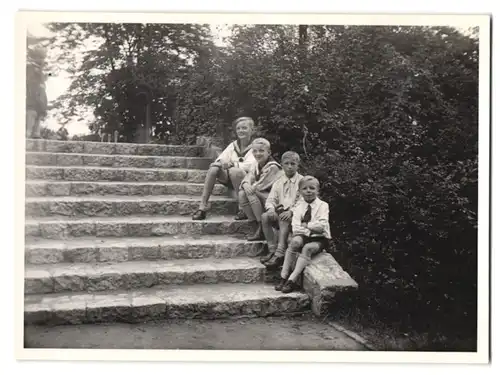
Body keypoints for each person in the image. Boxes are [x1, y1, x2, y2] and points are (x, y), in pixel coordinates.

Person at [275, 176, 331, 294]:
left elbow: (322, 227)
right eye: (305, 188)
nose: (309, 191)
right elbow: (296, 228)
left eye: (312, 188)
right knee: (294, 242)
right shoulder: (298, 207)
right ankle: (283, 276)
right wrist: (310, 228)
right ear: (300, 192)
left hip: (320, 238)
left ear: (318, 191)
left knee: (307, 248)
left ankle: (292, 280)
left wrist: (306, 225)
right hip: (304, 235)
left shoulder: (323, 205)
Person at [192, 117, 257, 221]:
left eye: (244, 128)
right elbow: (221, 158)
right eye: (238, 128)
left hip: (248, 181)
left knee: (235, 171)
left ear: (252, 130)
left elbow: (251, 165)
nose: (241, 131)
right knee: (214, 168)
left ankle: (243, 208)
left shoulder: (256, 146)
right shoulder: (233, 145)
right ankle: (202, 207)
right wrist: (221, 162)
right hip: (230, 179)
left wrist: (231, 164)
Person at [260, 151, 303, 266]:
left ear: (298, 165)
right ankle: (272, 250)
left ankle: (279, 254)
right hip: (282, 213)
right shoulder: (278, 182)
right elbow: (271, 199)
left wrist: (291, 211)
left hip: (297, 217)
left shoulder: (302, 181)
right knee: (265, 217)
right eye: (286, 163)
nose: (289, 167)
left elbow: (303, 202)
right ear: (282, 165)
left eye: (293, 164)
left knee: (283, 217)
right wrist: (271, 209)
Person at [239, 138, 284, 242]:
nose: (257, 154)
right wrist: (245, 183)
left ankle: (262, 228)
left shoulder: (273, 167)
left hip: (274, 201)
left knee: (251, 192)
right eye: (254, 151)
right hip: (263, 196)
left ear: (269, 152)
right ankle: (256, 225)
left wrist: (248, 186)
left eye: (261, 151)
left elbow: (260, 186)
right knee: (242, 193)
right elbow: (249, 177)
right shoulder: (256, 164)